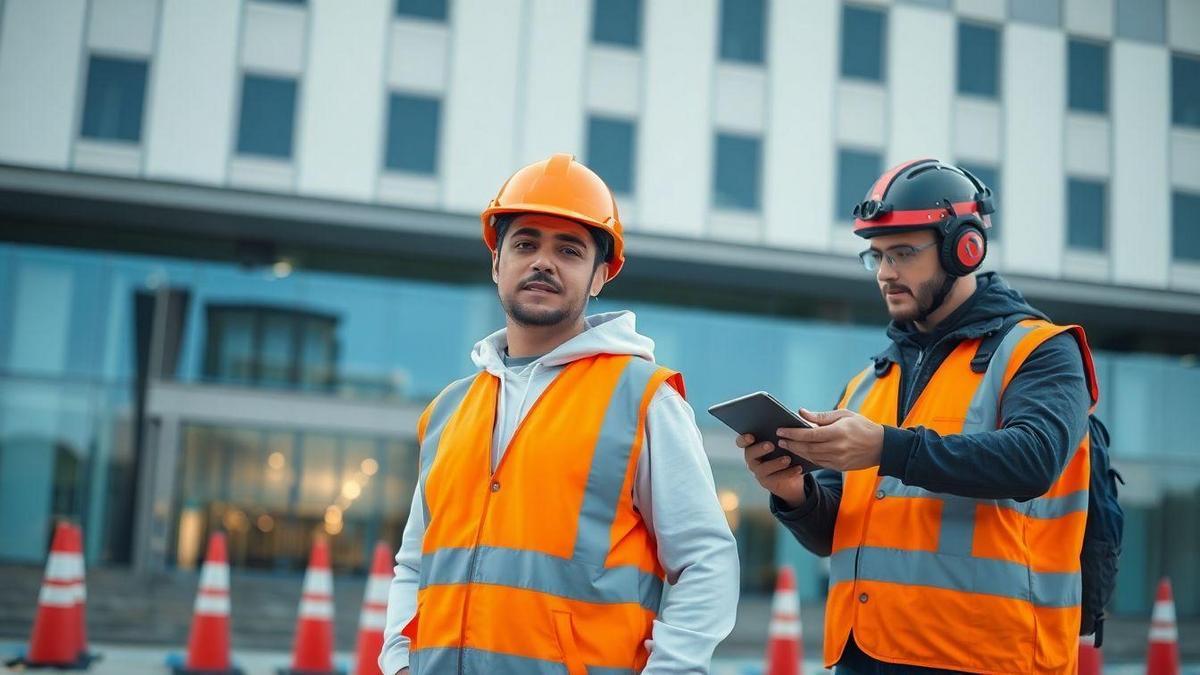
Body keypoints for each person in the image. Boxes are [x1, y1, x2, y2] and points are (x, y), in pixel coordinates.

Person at [382, 153, 740, 675]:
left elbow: (705, 560)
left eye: (568, 250)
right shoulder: (449, 409)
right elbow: (415, 562)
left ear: (601, 276)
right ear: (496, 262)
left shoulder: (643, 397)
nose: (542, 262)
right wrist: (397, 661)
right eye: (525, 244)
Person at [739, 159, 1099, 673]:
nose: (886, 273)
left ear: (964, 249)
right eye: (877, 256)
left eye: (904, 253)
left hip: (989, 659)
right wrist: (794, 492)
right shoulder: (868, 384)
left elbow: (1034, 460)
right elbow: (830, 536)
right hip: (866, 655)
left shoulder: (1040, 351)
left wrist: (887, 448)